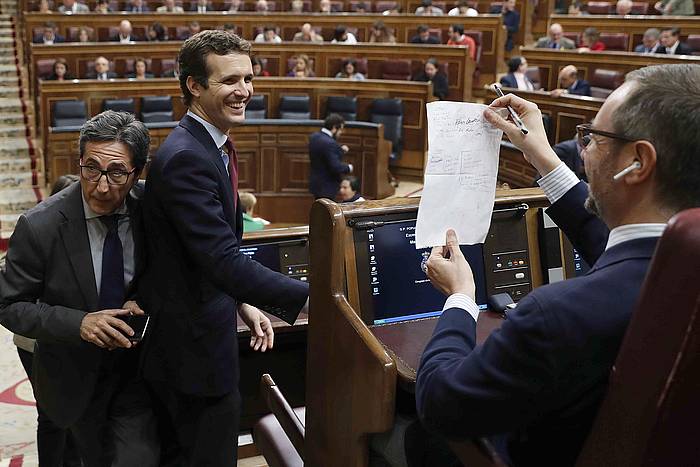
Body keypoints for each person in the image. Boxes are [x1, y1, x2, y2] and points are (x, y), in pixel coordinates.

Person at [417, 63, 700, 467]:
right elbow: (611, 245)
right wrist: (541, 156)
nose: (583, 149)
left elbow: (441, 403)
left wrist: (461, 299)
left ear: (638, 162)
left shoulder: (556, 314)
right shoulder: (670, 269)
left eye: (594, 138)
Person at [140, 30, 309, 465]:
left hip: (206, 333)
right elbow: (221, 258)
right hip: (190, 356)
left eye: (249, 79)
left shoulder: (209, 145)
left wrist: (241, 304)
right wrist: (315, 299)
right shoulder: (186, 158)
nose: (244, 91)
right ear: (193, 85)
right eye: (230, 81)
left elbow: (202, 255)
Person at [0, 111, 160, 467]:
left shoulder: (151, 208)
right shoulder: (40, 226)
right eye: (91, 168)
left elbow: (172, 271)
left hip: (139, 371)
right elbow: (10, 305)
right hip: (72, 377)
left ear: (137, 172)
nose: (101, 186)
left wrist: (144, 298)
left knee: (140, 458)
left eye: (117, 172)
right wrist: (80, 323)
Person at [10, 174, 83, 467]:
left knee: (77, 410)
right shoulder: (37, 232)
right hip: (34, 342)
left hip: (72, 340)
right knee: (51, 413)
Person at [309, 113, 353, 199]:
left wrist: (340, 149)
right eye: (340, 129)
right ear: (334, 128)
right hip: (327, 186)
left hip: (316, 184)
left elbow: (323, 153)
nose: (340, 133)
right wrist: (349, 167)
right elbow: (335, 167)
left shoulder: (314, 137)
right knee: (327, 211)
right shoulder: (330, 143)